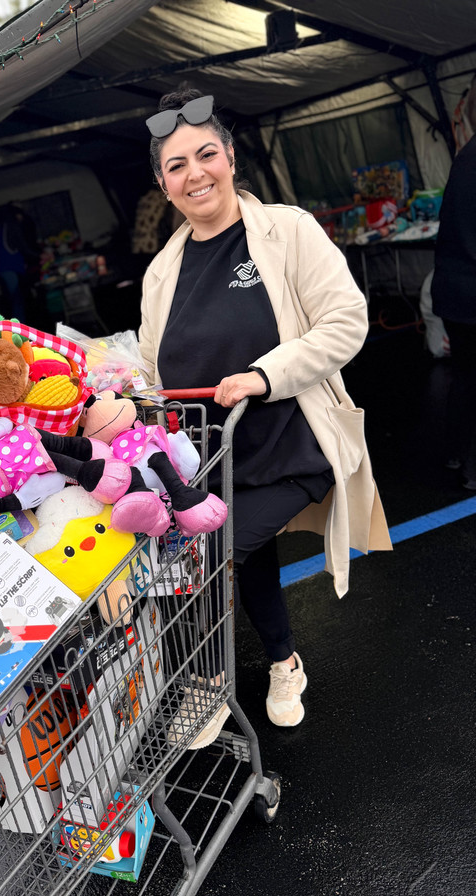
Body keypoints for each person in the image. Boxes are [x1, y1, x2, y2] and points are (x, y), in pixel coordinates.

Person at [138, 88, 392, 736]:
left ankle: (207, 679)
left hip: (291, 448)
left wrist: (262, 376)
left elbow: (345, 322)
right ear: (163, 185)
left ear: (229, 158)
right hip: (213, 460)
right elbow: (147, 369)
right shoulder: (162, 272)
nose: (195, 173)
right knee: (238, 556)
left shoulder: (287, 231)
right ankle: (283, 659)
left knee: (211, 549)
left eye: (205, 155)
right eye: (176, 165)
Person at [431, 132, 476, 490]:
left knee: (464, 376)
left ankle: (456, 453)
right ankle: (472, 469)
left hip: (452, 288)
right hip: (469, 288)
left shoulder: (465, 155)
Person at [0, 202, 39, 322]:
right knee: (17, 299)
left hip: (3, 267)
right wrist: (37, 255)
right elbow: (21, 246)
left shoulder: (0, 227)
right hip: (8, 267)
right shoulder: (11, 226)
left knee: (14, 299)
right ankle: (19, 329)